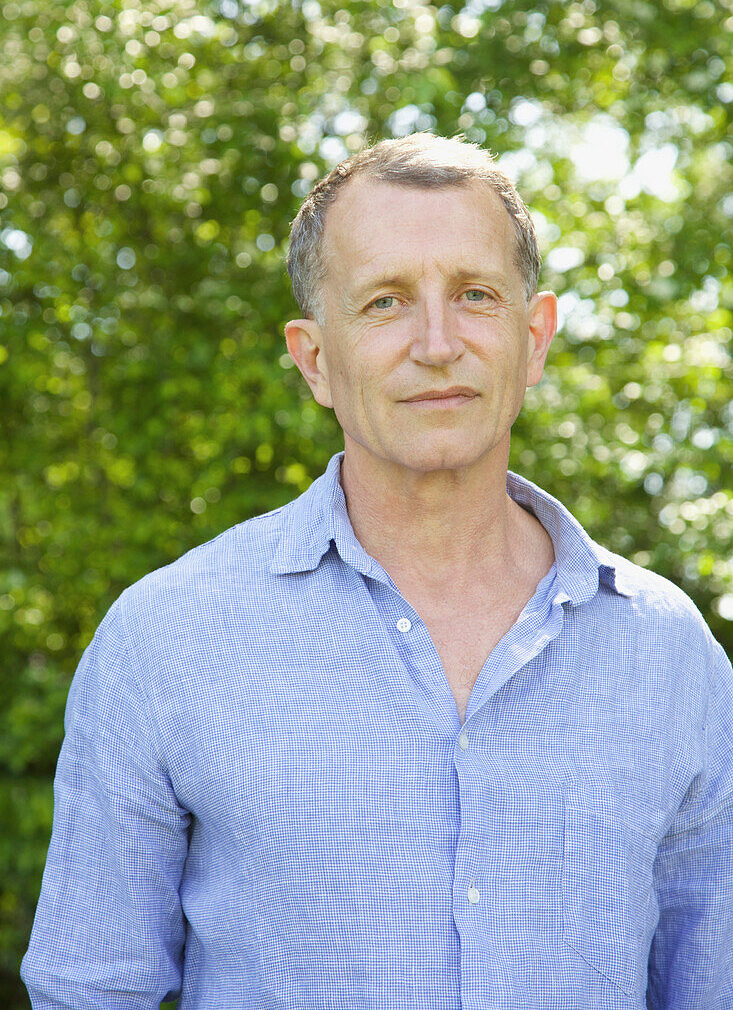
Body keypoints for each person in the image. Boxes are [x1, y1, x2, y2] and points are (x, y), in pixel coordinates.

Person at [22, 133, 733, 1009]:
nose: (437, 344)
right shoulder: (164, 640)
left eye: (474, 295)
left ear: (534, 336)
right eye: (385, 302)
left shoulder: (670, 654)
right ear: (315, 358)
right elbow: (88, 991)